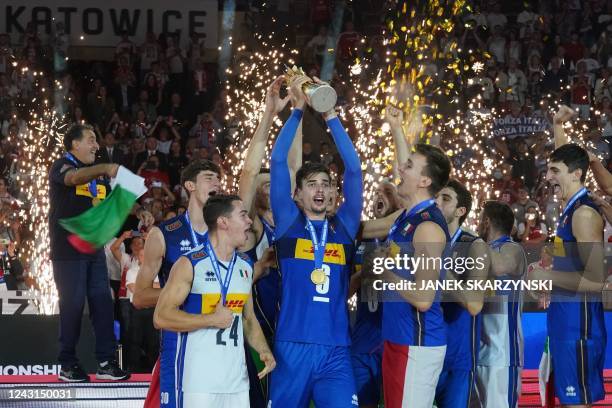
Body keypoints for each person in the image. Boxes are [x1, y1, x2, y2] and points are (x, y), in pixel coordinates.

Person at [268, 75, 363, 407]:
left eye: (326, 184)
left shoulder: (345, 227)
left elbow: (354, 170)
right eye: (312, 184)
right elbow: (278, 162)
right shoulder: (288, 225)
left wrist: (330, 115)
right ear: (296, 194)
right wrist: (296, 111)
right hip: (292, 346)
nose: (321, 189)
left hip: (336, 349)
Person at [361, 105, 451, 408]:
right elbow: (404, 173)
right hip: (400, 338)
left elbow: (424, 298)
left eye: (409, 166)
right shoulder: (407, 216)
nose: (401, 168)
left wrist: (383, 270)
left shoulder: (426, 227)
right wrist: (397, 129)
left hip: (417, 343)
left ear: (424, 181)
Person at [154, 194, 276, 407]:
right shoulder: (189, 263)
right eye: (243, 215)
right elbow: (161, 317)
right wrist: (210, 319)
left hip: (237, 383)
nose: (249, 221)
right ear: (223, 222)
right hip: (199, 383)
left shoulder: (246, 265)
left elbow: (247, 319)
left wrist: (263, 350)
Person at [133, 160, 220, 407]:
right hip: (179, 339)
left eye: (218, 179)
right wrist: (181, 292)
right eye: (209, 177)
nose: (217, 183)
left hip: (219, 339)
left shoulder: (225, 231)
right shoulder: (164, 233)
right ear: (190, 185)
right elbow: (139, 297)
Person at [49, 124, 129, 382]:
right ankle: (67, 364)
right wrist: (106, 167)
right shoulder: (61, 165)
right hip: (68, 251)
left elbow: (115, 200)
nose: (97, 145)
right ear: (74, 144)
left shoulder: (99, 176)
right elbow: (73, 179)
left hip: (94, 249)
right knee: (72, 305)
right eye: (91, 140)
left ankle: (106, 362)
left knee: (103, 304)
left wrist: (140, 212)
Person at [531, 144, 608, 407]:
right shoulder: (569, 211)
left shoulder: (583, 214)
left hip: (579, 328)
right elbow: (569, 259)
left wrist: (547, 275)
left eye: (555, 170)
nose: (549, 176)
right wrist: (548, 261)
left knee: (576, 403)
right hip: (566, 321)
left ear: (576, 174)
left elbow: (595, 280)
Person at [434, 179, 489, 408]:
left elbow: (475, 303)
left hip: (457, 354)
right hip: (423, 349)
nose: (437, 203)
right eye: (436, 197)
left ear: (461, 211)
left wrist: (438, 267)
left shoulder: (474, 245)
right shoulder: (421, 239)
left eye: (445, 199)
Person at [350, 181, 400, 408]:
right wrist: (363, 275)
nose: (379, 195)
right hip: (363, 338)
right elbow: (343, 292)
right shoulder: (359, 240)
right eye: (376, 192)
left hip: (395, 338)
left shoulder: (405, 237)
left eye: (387, 192)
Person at [475, 201, 526, 408]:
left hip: (502, 353)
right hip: (476, 348)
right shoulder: (480, 251)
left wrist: (473, 243)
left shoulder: (512, 248)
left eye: (480, 219)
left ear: (486, 222)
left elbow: (499, 266)